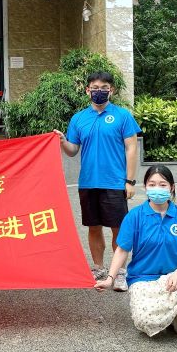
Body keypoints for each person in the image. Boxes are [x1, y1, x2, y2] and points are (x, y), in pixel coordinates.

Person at [53, 71, 141, 292]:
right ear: (87, 90)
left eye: (104, 88)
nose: (99, 91)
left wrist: (130, 181)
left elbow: (132, 148)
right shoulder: (78, 118)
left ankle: (119, 272)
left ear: (111, 90)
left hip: (115, 182)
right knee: (93, 227)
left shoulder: (122, 116)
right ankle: (99, 268)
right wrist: (63, 141)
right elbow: (73, 150)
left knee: (118, 229)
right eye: (94, 88)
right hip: (88, 182)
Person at [95, 165, 177, 338]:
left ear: (172, 187)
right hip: (142, 279)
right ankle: (168, 315)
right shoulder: (134, 216)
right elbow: (122, 250)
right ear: (145, 187)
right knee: (145, 321)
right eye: (152, 184)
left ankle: (173, 315)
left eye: (163, 184)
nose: (157, 189)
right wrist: (110, 278)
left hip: (173, 277)